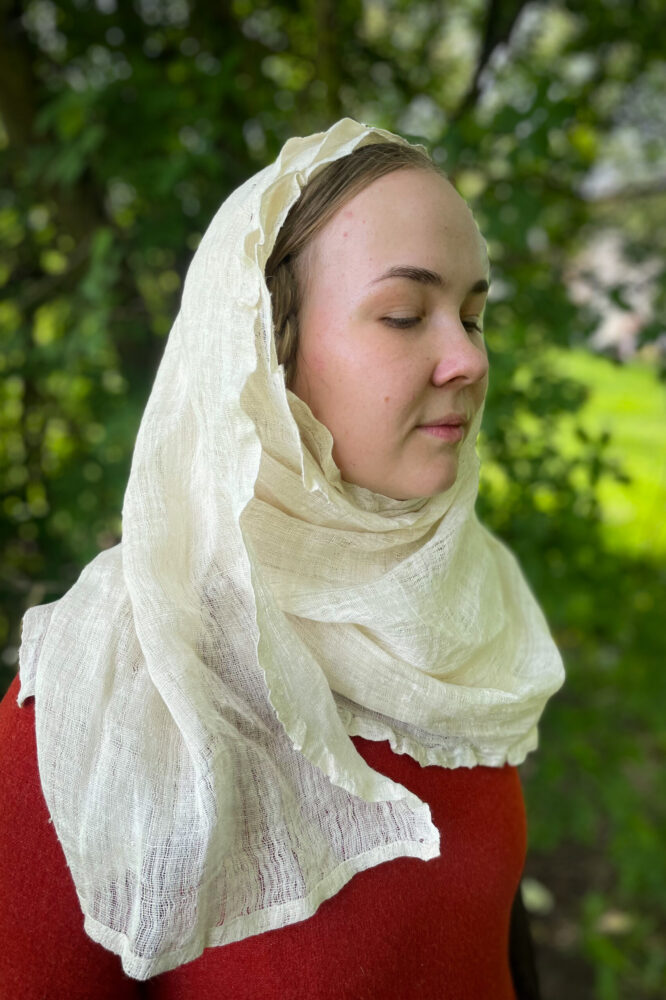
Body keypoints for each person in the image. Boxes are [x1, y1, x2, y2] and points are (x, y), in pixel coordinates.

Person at [0, 118, 564, 998]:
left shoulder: (460, 616)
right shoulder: (115, 692)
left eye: (475, 315)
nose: (466, 358)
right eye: (406, 314)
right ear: (266, 357)